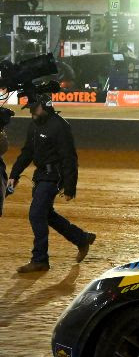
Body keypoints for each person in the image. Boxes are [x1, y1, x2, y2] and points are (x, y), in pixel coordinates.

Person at [8, 95, 95, 273]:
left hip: (54, 176)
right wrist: (14, 174)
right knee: (46, 214)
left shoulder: (60, 126)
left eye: (35, 108)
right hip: (40, 175)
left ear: (45, 107)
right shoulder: (34, 125)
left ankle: (40, 259)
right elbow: (27, 153)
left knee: (36, 213)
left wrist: (70, 187)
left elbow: (69, 158)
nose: (32, 112)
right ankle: (81, 238)